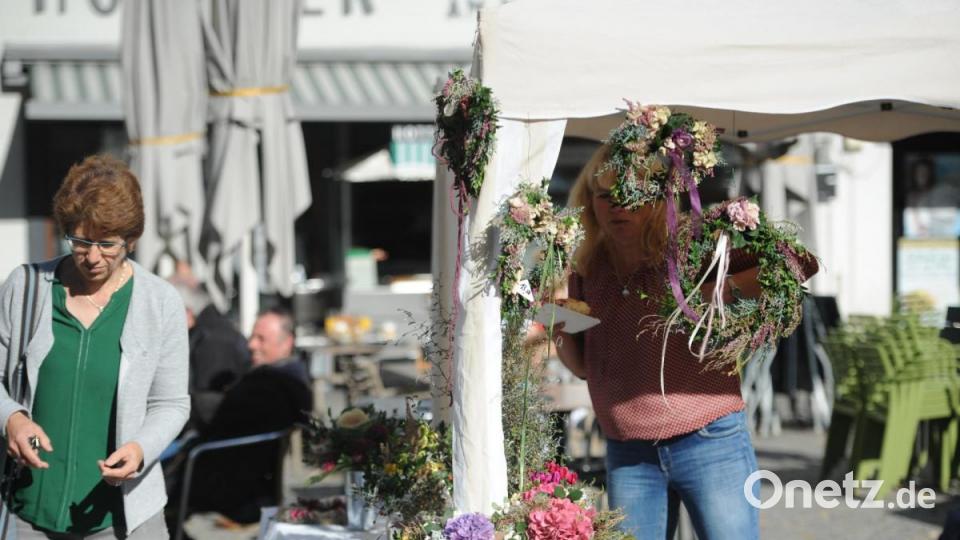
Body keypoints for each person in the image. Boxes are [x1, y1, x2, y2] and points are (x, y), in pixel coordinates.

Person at [554, 144, 814, 539]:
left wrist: (724, 289)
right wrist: (554, 323)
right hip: (628, 449)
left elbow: (798, 264)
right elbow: (586, 365)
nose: (616, 206)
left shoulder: (693, 241)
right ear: (589, 202)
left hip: (709, 439)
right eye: (604, 196)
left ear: (657, 197)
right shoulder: (588, 265)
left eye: (629, 194)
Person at [0, 155, 189, 538]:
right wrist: (12, 418)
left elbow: (172, 403)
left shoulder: (160, 302)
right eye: (81, 241)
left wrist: (140, 449)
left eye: (107, 244)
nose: (92, 256)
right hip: (28, 512)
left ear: (131, 240)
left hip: (123, 517)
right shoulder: (25, 287)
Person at [179, 307, 311, 525]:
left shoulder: (273, 386)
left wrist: (192, 404)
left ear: (286, 342)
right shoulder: (288, 378)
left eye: (261, 339)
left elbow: (228, 417)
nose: (251, 345)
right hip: (239, 477)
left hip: (232, 488)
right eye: (252, 336)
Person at [171, 280, 250, 432]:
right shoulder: (210, 331)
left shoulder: (213, 339)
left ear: (187, 313)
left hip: (212, 435)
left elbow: (207, 402)